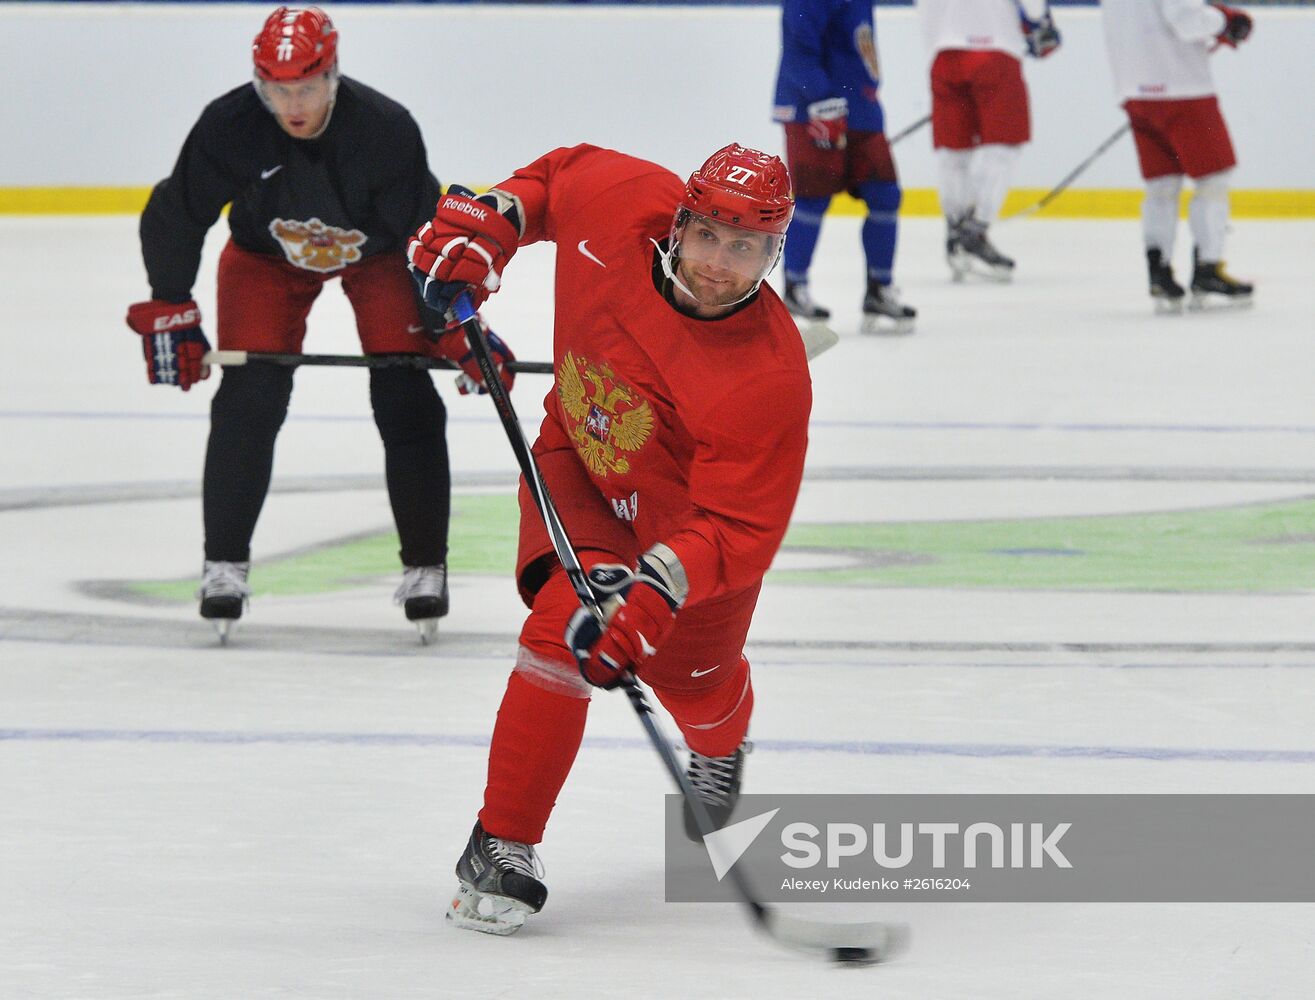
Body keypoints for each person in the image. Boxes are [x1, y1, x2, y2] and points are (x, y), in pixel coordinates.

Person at [406, 143, 812, 935]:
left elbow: (737, 526)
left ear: (773, 254)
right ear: (679, 221)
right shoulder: (623, 202)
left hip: (686, 544)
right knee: (561, 628)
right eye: (706, 236)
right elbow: (552, 181)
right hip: (579, 471)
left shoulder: (767, 375)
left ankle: (720, 745)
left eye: (745, 247)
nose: (718, 264)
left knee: (695, 685)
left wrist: (655, 589)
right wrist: (493, 225)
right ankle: (501, 844)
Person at [125, 7, 514, 642]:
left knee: (404, 388)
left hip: (385, 253)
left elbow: (425, 231)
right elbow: (178, 209)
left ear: (332, 74)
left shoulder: (385, 129)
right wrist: (169, 303)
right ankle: (223, 563)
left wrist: (451, 324)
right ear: (258, 82)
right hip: (265, 257)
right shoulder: (228, 124)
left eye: (306, 86)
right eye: (275, 89)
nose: (291, 104)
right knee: (251, 395)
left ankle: (425, 567)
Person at [1099, 0, 1255, 312]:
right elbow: (1186, 18)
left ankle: (1159, 272)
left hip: (1134, 87)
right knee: (1213, 180)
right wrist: (1225, 20)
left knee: (1161, 185)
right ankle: (1208, 268)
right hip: (1184, 87)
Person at [772, 0, 916, 334]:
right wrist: (820, 98)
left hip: (861, 108)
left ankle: (880, 288)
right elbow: (798, 48)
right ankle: (795, 287)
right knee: (813, 198)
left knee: (886, 196)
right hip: (816, 108)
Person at [915, 0, 1062, 281]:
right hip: (996, 50)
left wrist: (937, 48)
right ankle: (975, 230)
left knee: (954, 151)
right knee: (1003, 146)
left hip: (944, 54)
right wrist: (1040, 22)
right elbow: (1033, 10)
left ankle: (956, 233)